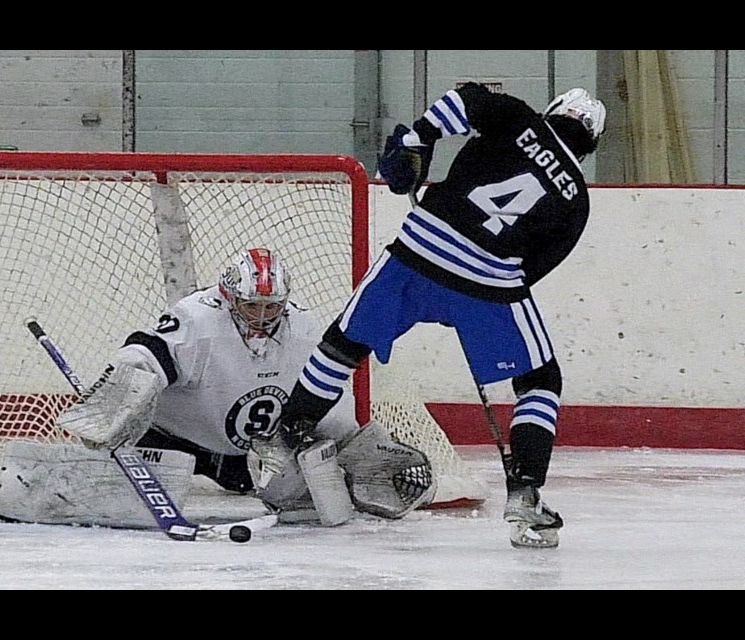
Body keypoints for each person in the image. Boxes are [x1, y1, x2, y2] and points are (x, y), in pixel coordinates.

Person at [252, 83, 607, 549]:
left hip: (419, 249)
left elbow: (466, 99)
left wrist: (419, 139)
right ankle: (525, 491)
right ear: (591, 143)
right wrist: (471, 304)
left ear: (555, 111)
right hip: (489, 281)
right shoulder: (576, 201)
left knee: (344, 343)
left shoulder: (520, 118)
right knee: (540, 381)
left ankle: (286, 434)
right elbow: (531, 270)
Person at [45, 247, 435, 526]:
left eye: (272, 307)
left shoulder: (302, 330)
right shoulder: (197, 319)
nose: (264, 317)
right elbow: (144, 354)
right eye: (252, 307)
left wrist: (349, 446)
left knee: (302, 502)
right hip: (166, 441)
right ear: (229, 298)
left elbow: (326, 397)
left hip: (245, 458)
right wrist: (116, 401)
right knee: (120, 504)